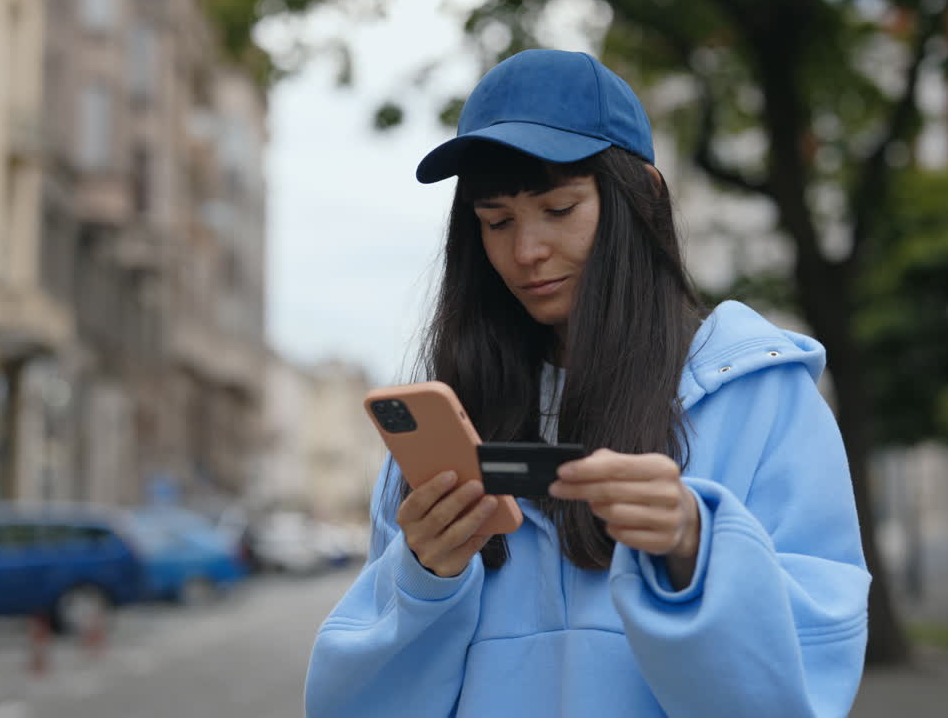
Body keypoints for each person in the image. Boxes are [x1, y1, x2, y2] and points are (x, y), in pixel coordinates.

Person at [304, 49, 870, 718]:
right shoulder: (451, 419)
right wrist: (423, 580)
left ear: (644, 197)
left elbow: (809, 683)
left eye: (560, 207)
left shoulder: (762, 397)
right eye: (497, 222)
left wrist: (696, 549)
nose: (526, 252)